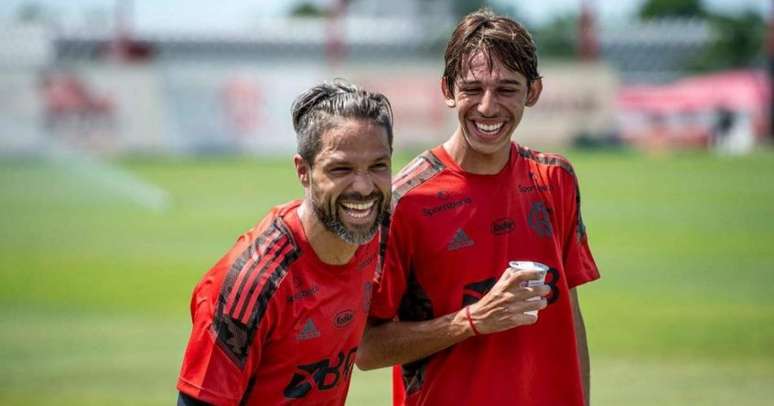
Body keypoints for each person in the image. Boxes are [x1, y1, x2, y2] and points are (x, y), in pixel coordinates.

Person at [356, 9, 600, 406]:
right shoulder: (403, 202)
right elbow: (367, 349)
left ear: (533, 92)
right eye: (472, 89)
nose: (488, 107)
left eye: (506, 89)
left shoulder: (555, 179)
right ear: (448, 89)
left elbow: (568, 312)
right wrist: (473, 320)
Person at [177, 80, 394, 405]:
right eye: (341, 169)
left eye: (378, 166)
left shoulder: (375, 233)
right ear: (303, 171)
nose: (363, 187)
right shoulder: (250, 285)